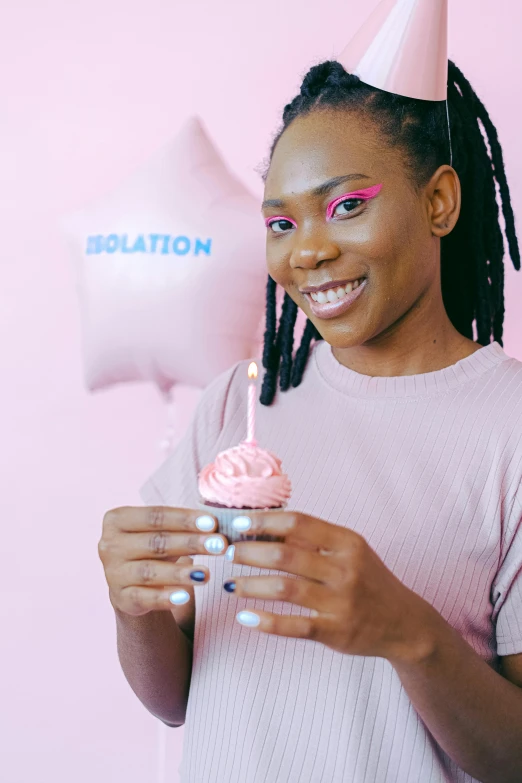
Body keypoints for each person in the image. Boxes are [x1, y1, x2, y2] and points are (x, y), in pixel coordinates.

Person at [98, 44, 522, 783]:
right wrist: (134, 606)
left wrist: (408, 632)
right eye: (281, 223)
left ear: (440, 201)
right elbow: (173, 700)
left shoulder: (509, 426)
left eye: (346, 206)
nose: (309, 251)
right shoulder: (236, 403)